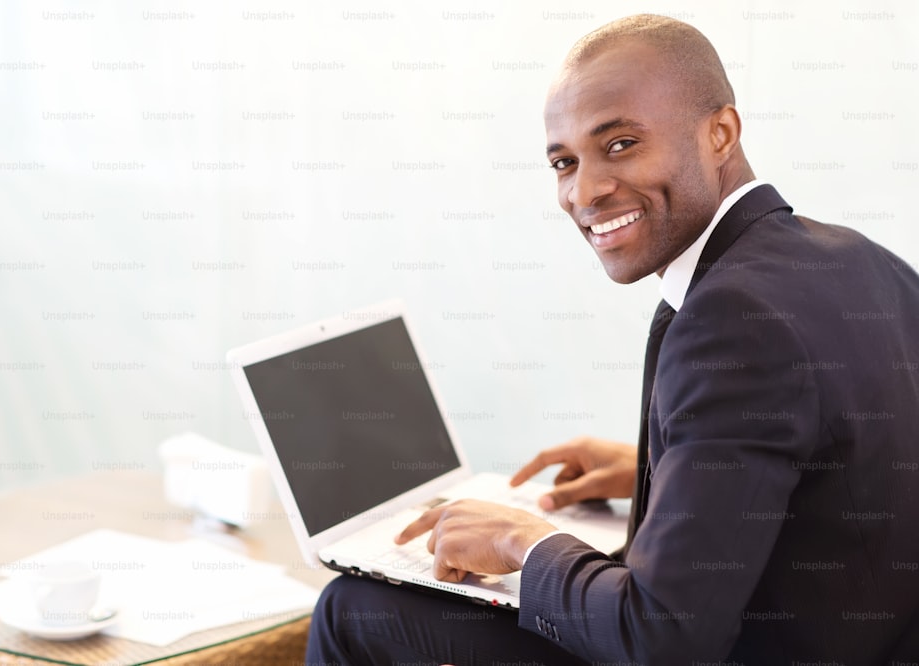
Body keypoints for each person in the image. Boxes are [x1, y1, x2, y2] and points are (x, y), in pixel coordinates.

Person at [305, 14, 919, 664]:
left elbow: (659, 638)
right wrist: (662, 468)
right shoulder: (865, 262)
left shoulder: (732, 317)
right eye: (563, 162)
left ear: (720, 133)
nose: (585, 190)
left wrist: (526, 543)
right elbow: (855, 466)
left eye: (621, 144)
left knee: (353, 610)